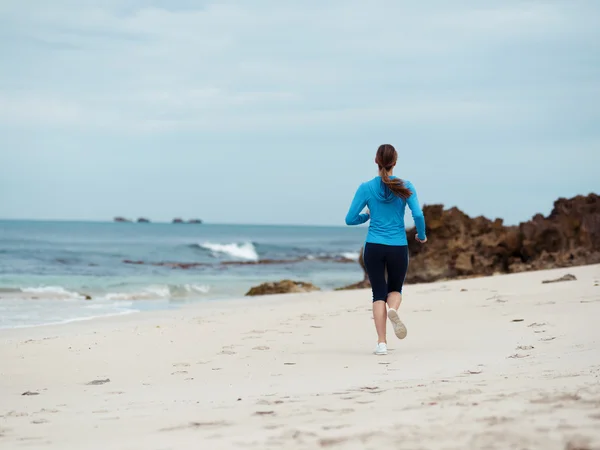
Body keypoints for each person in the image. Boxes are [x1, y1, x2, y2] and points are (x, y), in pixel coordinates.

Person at [345, 144, 427, 355]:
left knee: (377, 294)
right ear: (395, 162)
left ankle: (381, 343)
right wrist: (421, 234)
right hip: (398, 246)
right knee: (395, 290)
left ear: (376, 161)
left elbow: (350, 219)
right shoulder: (406, 186)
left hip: (373, 247)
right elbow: (418, 215)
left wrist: (368, 215)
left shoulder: (366, 187)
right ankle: (393, 310)